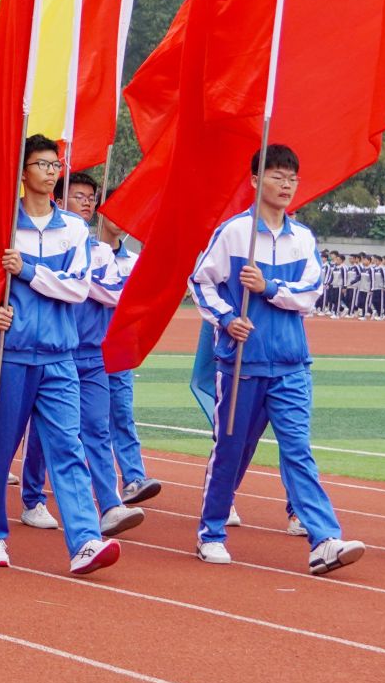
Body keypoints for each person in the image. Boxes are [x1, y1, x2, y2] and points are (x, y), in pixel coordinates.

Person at [189, 144, 363, 576]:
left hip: (290, 365)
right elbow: (201, 282)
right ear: (255, 180)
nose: (286, 185)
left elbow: (310, 294)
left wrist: (268, 287)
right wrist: (227, 318)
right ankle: (211, 532)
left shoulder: (303, 238)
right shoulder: (234, 234)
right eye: (277, 176)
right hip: (242, 366)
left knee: (298, 451)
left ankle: (324, 539)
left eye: (292, 178)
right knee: (231, 450)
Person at [0, 136, 121, 575]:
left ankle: (85, 541)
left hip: (59, 357)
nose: (51, 172)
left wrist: (28, 270)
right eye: (42, 164)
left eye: (55, 165)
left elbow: (77, 289)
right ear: (23, 172)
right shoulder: (1, 224)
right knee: (0, 450)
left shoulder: (73, 229)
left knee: (68, 447)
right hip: (11, 354)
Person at [56, 170, 148, 534]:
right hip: (57, 353)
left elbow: (115, 294)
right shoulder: (53, 247)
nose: (86, 203)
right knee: (55, 435)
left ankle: (111, 504)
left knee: (98, 427)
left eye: (90, 198)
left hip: (96, 355)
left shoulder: (102, 252)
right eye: (78, 196)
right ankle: (31, 496)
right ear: (59, 201)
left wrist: (77, 280)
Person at [94, 204, 161, 502]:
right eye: (115, 213)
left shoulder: (133, 261)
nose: (121, 220)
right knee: (83, 421)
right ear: (101, 214)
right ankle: (54, 477)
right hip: (85, 350)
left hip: (119, 351)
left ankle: (134, 478)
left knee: (122, 414)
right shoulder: (85, 253)